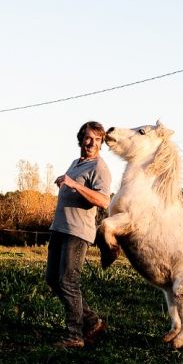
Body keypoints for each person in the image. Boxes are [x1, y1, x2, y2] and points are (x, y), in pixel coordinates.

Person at [46, 121, 112, 349]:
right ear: (81, 139)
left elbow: (103, 200)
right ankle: (93, 321)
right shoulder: (76, 163)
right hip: (60, 228)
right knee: (53, 280)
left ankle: (74, 335)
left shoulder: (99, 168)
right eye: (88, 138)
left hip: (77, 232)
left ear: (101, 143)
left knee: (68, 281)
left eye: (97, 139)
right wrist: (65, 184)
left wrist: (74, 184)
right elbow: (73, 187)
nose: (92, 143)